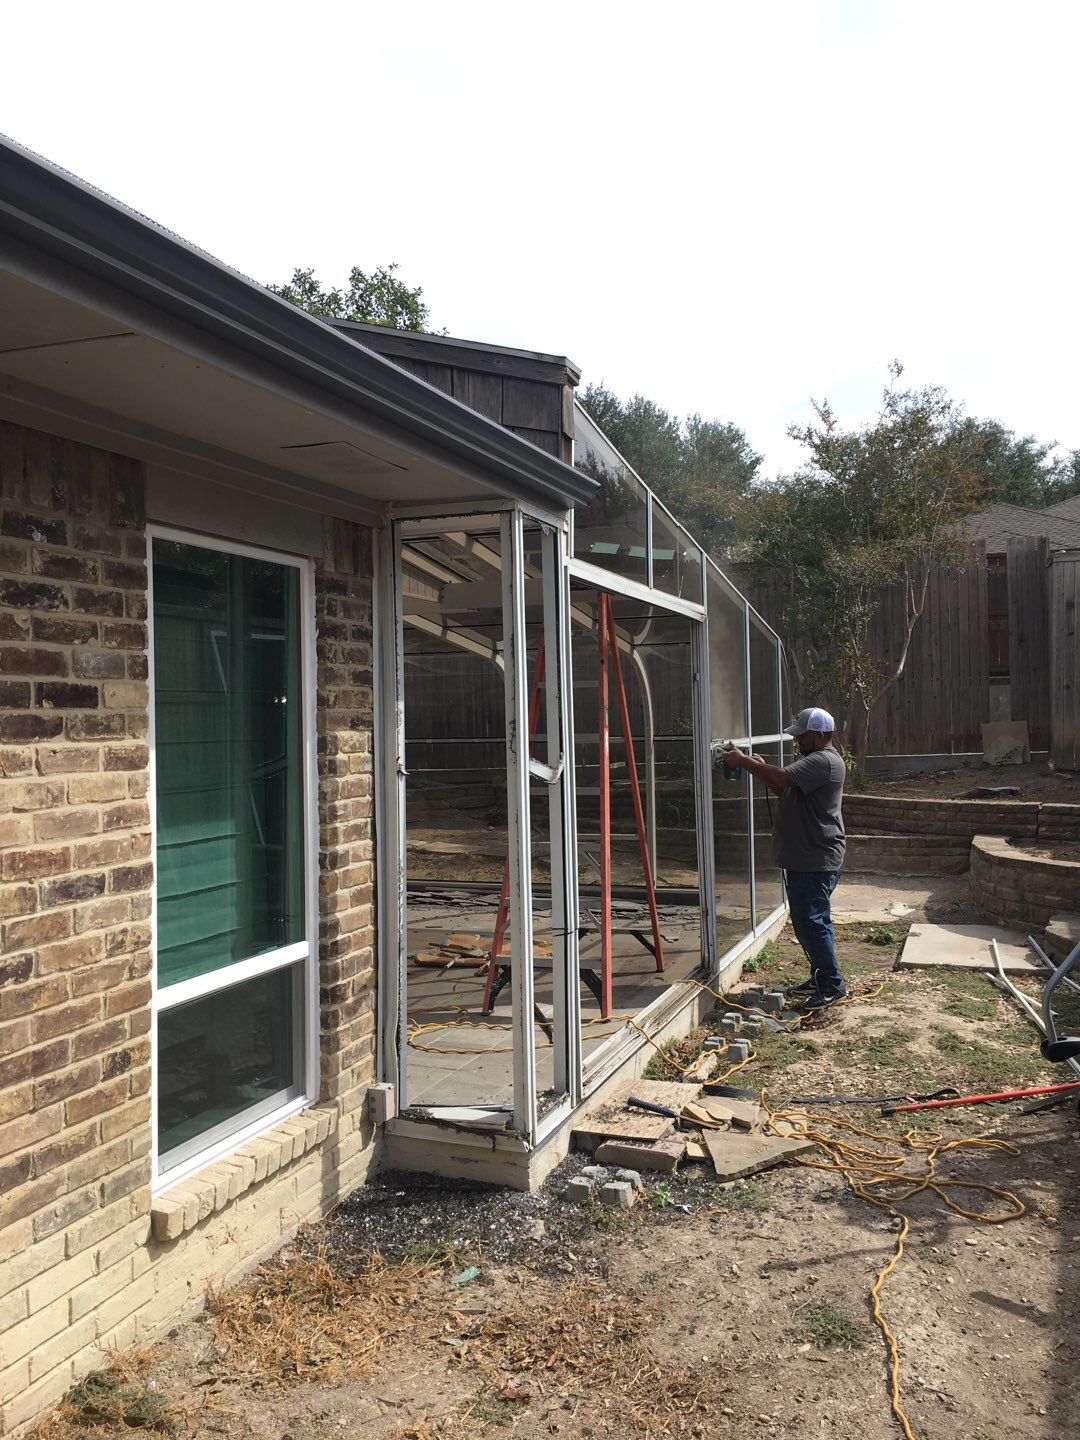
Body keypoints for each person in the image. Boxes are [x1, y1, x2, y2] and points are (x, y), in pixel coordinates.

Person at [717, 707, 847, 1007]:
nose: (798, 740)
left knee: (811, 922)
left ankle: (832, 984)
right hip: (806, 856)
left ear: (818, 735)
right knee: (811, 921)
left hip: (815, 857)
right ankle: (821, 976)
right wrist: (757, 766)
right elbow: (783, 786)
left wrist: (745, 762)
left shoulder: (823, 760)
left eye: (802, 735)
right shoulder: (811, 760)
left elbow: (782, 777)